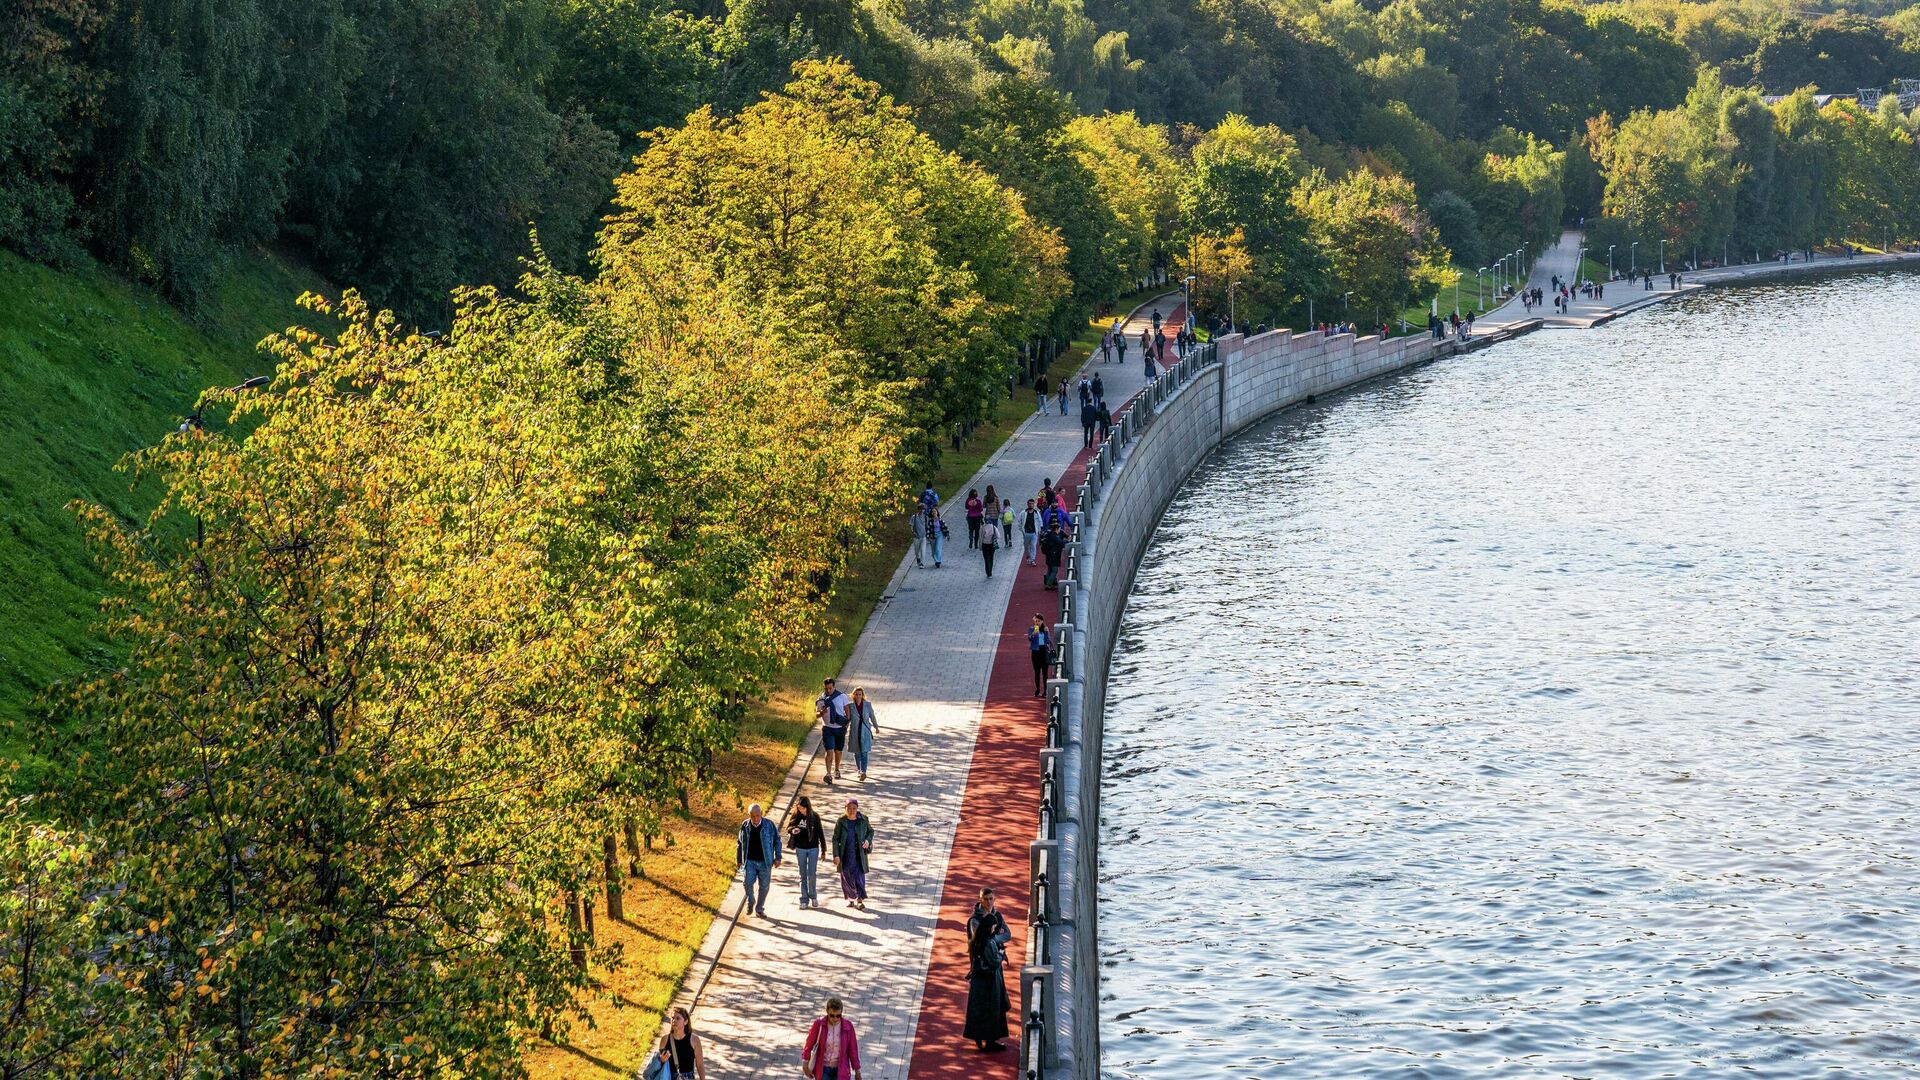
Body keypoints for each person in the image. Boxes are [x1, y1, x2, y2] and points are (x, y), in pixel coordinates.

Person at [964, 888, 1013, 1052]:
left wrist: (994, 938)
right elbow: (978, 940)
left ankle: (988, 1038)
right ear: (980, 899)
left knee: (993, 1005)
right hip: (983, 970)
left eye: (992, 898)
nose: (989, 902)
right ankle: (982, 1037)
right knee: (982, 1005)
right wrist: (994, 944)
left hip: (992, 970)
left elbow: (1007, 934)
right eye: (986, 899)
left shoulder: (997, 916)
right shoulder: (975, 921)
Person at [736, 803, 782, 917]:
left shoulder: (769, 825)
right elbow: (740, 843)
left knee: (764, 887)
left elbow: (777, 841)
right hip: (750, 861)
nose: (755, 818)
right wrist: (739, 859)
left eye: (757, 815)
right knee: (747, 883)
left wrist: (778, 857)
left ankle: (759, 909)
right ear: (749, 815)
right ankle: (751, 901)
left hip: (765, 862)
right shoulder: (745, 825)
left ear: (761, 814)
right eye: (752, 816)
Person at [802, 999, 862, 1080]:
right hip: (823, 1069)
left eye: (838, 1016)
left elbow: (853, 1050)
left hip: (841, 1069)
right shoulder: (819, 1025)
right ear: (827, 1012)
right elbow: (808, 1045)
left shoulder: (848, 1026)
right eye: (832, 1015)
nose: (835, 1018)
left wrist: (857, 1071)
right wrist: (805, 1064)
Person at [832, 797, 873, 910]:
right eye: (849, 808)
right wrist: (836, 855)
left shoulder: (863, 819)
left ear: (857, 808)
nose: (851, 810)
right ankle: (851, 899)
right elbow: (835, 838)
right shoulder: (841, 821)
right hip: (845, 854)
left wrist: (867, 840)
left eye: (854, 808)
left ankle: (859, 900)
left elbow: (871, 831)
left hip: (859, 855)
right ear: (845, 809)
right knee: (847, 878)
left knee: (859, 877)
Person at [786, 795, 825, 908]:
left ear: (808, 807)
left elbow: (820, 834)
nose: (801, 810)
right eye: (799, 808)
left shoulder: (814, 817)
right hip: (800, 848)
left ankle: (813, 896)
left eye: (803, 808)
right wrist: (793, 830)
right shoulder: (796, 816)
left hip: (813, 848)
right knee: (802, 874)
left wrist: (823, 850)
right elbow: (788, 827)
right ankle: (804, 899)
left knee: (811, 874)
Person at [648, 1007, 706, 1080]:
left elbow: (700, 1064)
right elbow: (660, 1065)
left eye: (678, 1018)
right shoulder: (665, 1039)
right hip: (668, 1076)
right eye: (672, 1018)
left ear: (685, 1022)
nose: (674, 1020)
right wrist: (662, 1060)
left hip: (687, 1077)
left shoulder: (694, 1040)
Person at [817, 677, 850, 783]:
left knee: (838, 751)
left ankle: (837, 769)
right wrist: (822, 713)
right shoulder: (821, 700)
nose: (828, 691)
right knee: (829, 750)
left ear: (834, 687)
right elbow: (817, 714)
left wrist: (846, 724)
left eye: (830, 688)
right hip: (827, 728)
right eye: (826, 689)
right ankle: (828, 773)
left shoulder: (842, 696)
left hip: (840, 728)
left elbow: (847, 710)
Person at [848, 688, 878, 781]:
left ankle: (863, 772)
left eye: (860, 694)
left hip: (865, 732)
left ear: (862, 695)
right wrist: (844, 729)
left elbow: (872, 716)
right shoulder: (850, 706)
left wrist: (876, 727)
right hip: (855, 731)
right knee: (857, 752)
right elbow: (848, 719)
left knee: (864, 752)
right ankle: (858, 769)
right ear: (853, 695)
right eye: (856, 694)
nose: (858, 696)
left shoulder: (867, 705)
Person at [1028, 615, 1052, 696]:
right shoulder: (1032, 629)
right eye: (1036, 621)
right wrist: (1034, 633)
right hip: (1035, 652)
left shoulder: (1046, 629)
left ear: (1042, 621)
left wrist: (1045, 632)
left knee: (1045, 673)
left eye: (1039, 621)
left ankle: (1045, 691)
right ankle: (1037, 690)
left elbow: (1048, 641)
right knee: (1037, 672)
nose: (1037, 622)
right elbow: (1030, 639)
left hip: (1044, 651)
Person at [979, 510, 999, 577]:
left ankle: (988, 572)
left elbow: (981, 537)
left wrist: (980, 546)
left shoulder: (982, 527)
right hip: (992, 544)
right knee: (991, 558)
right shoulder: (993, 527)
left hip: (985, 544)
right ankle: (990, 571)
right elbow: (998, 536)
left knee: (986, 559)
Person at [1021, 499, 1040, 565]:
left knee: (1033, 546)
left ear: (1034, 504)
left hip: (1034, 533)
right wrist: (1022, 530)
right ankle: (1028, 556)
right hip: (1026, 533)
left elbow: (1040, 522)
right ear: (1027, 504)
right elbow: (1019, 522)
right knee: (1026, 547)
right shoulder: (1023, 513)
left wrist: (1039, 531)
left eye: (1032, 503)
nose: (1031, 505)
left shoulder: (1036, 513)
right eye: (1030, 503)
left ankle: (1033, 560)